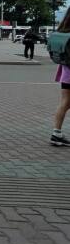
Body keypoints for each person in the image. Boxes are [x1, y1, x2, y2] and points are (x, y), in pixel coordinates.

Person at [52, 8, 70, 146]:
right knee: (66, 103)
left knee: (65, 102)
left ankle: (56, 133)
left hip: (65, 71)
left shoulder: (62, 30)